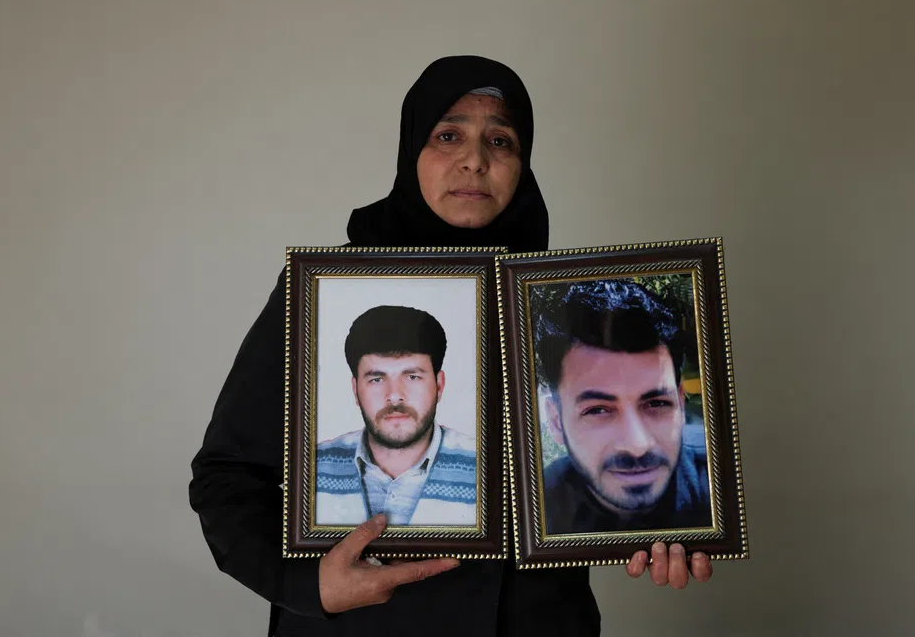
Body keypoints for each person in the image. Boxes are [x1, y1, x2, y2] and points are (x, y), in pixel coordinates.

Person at [188, 55, 712, 637]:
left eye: (501, 140)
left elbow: (591, 479)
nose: (475, 159)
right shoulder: (325, 294)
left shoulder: (560, 305)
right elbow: (227, 474)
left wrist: (657, 524)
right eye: (448, 135)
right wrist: (306, 585)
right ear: (412, 152)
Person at [534, 280, 713, 535]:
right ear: (555, 421)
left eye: (657, 403)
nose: (637, 445)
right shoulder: (534, 512)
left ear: (681, 402)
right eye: (598, 410)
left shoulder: (723, 483)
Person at [316, 304, 477, 527]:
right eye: (377, 379)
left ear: (439, 385)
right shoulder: (312, 468)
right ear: (355, 390)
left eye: (412, 377)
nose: (394, 396)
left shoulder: (487, 469)